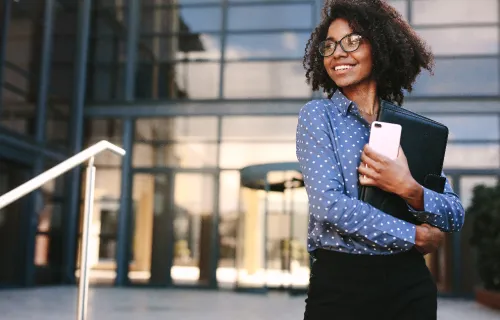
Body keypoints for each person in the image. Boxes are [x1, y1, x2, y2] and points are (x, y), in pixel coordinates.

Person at [296, 0, 465, 319]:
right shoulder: (319, 117)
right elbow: (329, 206)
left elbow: (454, 213)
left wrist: (409, 189)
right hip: (342, 286)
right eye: (329, 45)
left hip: (409, 285)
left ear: (380, 47)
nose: (337, 53)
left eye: (352, 41)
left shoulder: (410, 130)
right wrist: (415, 234)